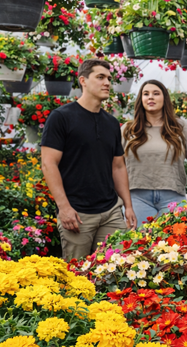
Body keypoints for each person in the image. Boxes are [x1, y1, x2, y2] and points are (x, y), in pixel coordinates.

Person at [41, 58, 137, 261]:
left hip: (110, 211)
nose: (107, 83)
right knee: (77, 276)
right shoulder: (61, 117)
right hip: (78, 214)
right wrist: (64, 207)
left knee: (117, 269)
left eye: (109, 78)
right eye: (100, 77)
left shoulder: (111, 122)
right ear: (83, 81)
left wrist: (127, 206)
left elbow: (118, 166)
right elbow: (49, 163)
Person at [122, 80, 187, 226]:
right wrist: (126, 204)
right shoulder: (127, 129)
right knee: (141, 245)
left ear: (165, 99)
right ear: (141, 100)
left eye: (156, 93)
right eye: (146, 94)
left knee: (173, 245)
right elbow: (117, 166)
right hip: (137, 197)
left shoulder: (180, 127)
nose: (150, 97)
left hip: (173, 196)